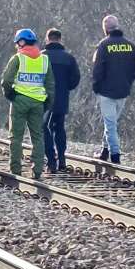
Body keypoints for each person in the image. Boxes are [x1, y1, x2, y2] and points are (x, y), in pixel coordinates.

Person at [1, 28, 54, 179]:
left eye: (18, 43)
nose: (17, 46)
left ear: (22, 42)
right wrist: (48, 103)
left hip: (19, 101)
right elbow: (50, 84)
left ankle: (15, 169)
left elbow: (6, 81)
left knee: (16, 137)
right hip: (38, 102)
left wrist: (10, 95)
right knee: (37, 137)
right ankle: (37, 170)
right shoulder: (45, 60)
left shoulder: (18, 58)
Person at [92, 15, 135, 164]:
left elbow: (98, 70)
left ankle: (115, 155)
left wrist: (96, 86)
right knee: (111, 123)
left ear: (105, 29)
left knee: (110, 124)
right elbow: (134, 69)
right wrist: (127, 83)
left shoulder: (103, 45)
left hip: (106, 92)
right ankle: (105, 151)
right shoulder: (130, 46)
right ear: (117, 26)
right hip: (123, 91)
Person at [42, 28, 80, 173]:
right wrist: (65, 88)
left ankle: (51, 161)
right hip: (62, 98)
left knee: (44, 128)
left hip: (44, 98)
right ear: (60, 39)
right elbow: (75, 79)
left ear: (47, 39)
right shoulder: (69, 58)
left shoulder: (41, 57)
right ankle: (62, 159)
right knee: (59, 128)